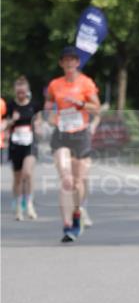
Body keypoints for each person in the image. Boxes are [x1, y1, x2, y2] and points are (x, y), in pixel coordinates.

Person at [45, 47, 101, 243]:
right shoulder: (55, 85)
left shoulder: (86, 83)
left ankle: (78, 212)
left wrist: (80, 104)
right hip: (61, 134)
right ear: (61, 63)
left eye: (72, 61)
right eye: (65, 61)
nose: (69, 64)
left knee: (78, 182)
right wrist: (49, 117)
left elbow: (97, 107)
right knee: (66, 180)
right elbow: (48, 106)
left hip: (80, 134)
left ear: (77, 63)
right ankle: (67, 225)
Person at [6, 76, 42, 220]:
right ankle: (18, 205)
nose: (21, 95)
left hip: (30, 143)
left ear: (27, 91)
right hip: (15, 144)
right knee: (18, 178)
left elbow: (39, 120)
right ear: (15, 92)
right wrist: (11, 120)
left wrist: (38, 127)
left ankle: (29, 203)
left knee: (27, 173)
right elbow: (4, 125)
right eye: (18, 92)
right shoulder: (10, 106)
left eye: (23, 92)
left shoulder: (34, 105)